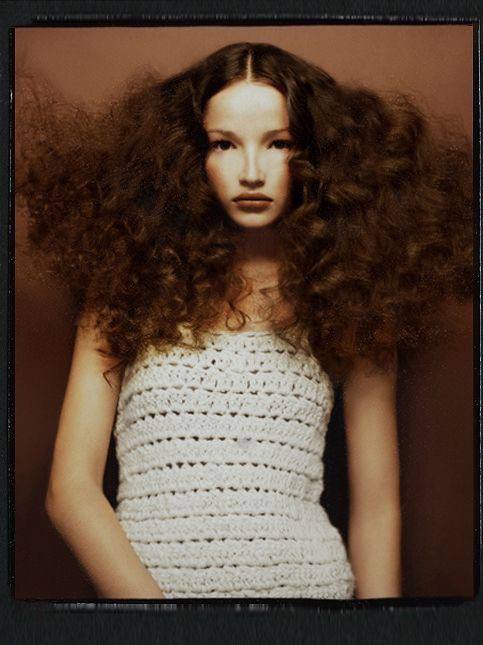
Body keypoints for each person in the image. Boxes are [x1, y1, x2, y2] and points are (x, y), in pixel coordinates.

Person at [16, 42, 472, 599]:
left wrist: (382, 632)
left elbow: (377, 509)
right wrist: (163, 626)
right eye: (224, 144)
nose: (252, 172)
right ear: (189, 156)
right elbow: (70, 492)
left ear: (314, 156)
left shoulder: (350, 295)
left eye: (279, 143)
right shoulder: (128, 287)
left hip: (311, 607)